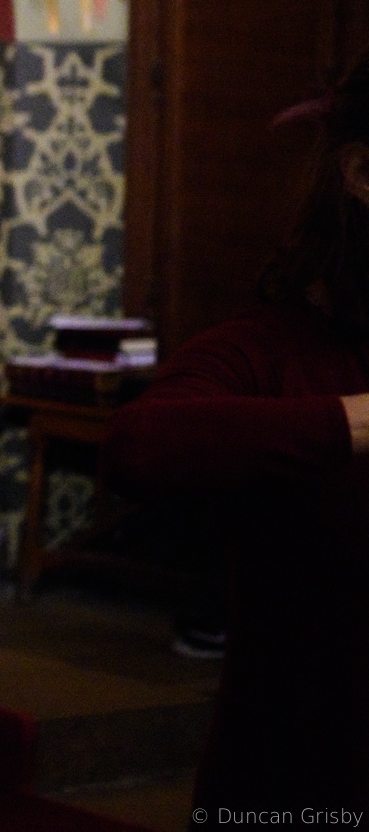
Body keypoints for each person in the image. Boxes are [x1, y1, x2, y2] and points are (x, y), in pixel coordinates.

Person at [106, 55, 369, 812]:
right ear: (362, 174)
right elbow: (141, 443)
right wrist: (355, 418)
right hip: (303, 781)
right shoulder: (270, 347)